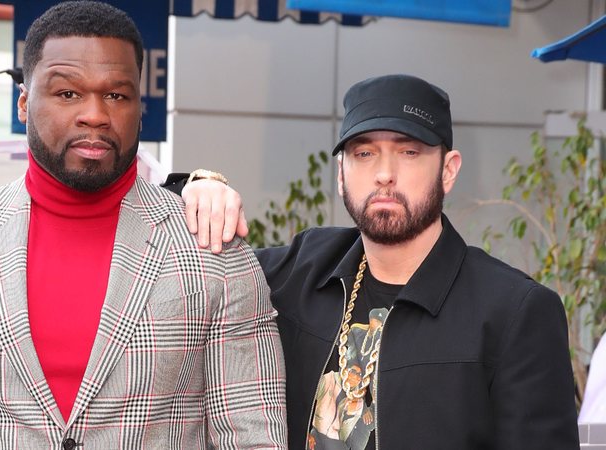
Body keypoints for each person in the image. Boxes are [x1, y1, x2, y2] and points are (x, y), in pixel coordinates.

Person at [0, 2, 287, 448]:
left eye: (116, 95)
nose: (95, 114)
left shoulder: (214, 252)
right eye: (68, 93)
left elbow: (253, 437)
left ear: (139, 108)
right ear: (25, 103)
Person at [174, 74, 580, 449]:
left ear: (448, 170)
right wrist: (197, 188)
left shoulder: (514, 311)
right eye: (364, 152)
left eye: (409, 151)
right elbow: (180, 255)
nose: (385, 173)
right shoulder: (301, 270)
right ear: (341, 173)